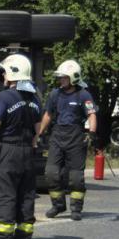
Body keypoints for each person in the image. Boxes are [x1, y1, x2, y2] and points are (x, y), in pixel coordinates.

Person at [0, 54, 42, 239]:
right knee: (26, 192)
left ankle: (3, 236)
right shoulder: (34, 98)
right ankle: (24, 235)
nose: (2, 75)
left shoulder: (4, 97)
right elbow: (38, 128)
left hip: (7, 151)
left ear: (13, 73)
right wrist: (33, 141)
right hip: (27, 151)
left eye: (4, 71)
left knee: (5, 192)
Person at [38, 60, 99, 221]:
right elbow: (48, 115)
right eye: (61, 77)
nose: (61, 80)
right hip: (57, 135)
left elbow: (92, 114)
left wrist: (91, 133)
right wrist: (39, 133)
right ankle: (58, 205)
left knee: (75, 177)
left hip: (76, 136)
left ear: (73, 78)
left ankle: (76, 208)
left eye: (64, 77)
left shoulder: (83, 94)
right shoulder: (55, 94)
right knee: (51, 173)